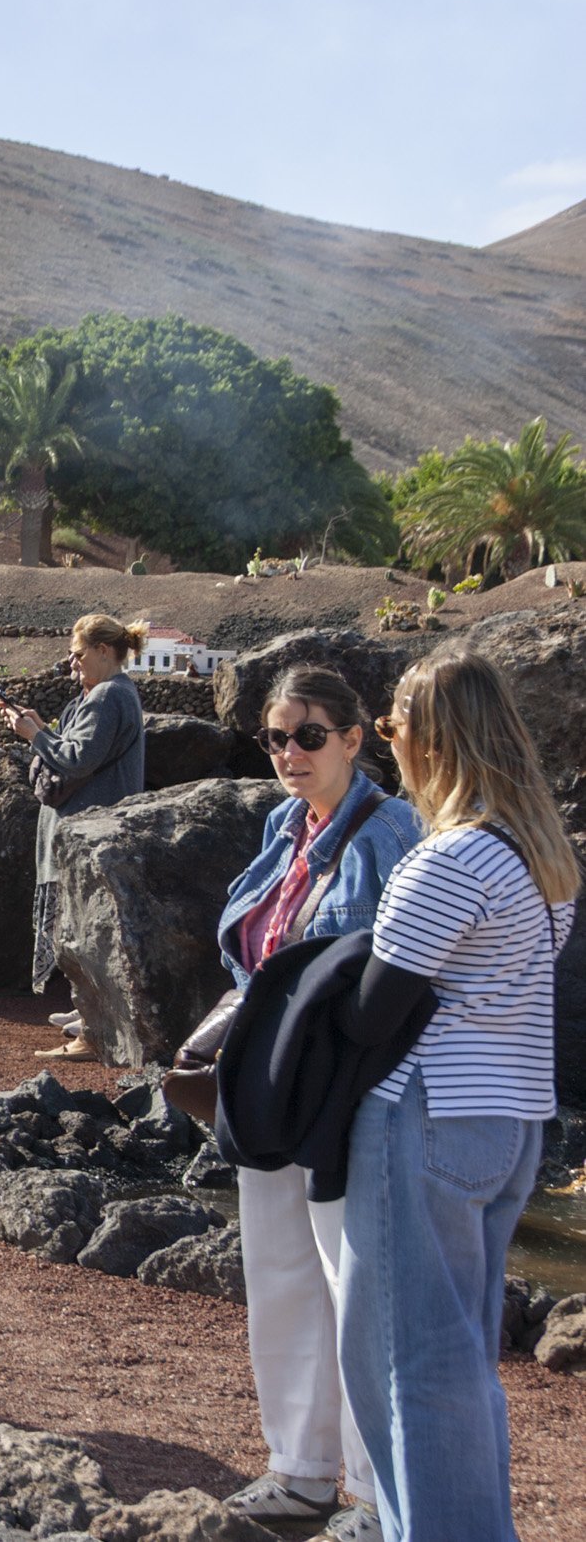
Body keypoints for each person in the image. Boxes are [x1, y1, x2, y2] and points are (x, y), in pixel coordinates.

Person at [343, 648, 576, 1541]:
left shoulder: (450, 859)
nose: (392, 748)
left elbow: (374, 1013)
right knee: (461, 1357)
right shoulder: (539, 855)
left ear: (429, 739)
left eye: (396, 730)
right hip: (512, 1120)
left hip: (427, 1115)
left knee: (407, 1362)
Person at [208, 668, 421, 1533]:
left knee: (353, 1285)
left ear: (353, 738)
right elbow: (256, 941)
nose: (289, 753)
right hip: (279, 1079)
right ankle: (301, 1470)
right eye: (275, 737)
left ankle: (374, 1494)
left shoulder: (391, 830)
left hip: (346, 1090)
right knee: (283, 1275)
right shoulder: (283, 823)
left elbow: (399, 979)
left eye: (308, 735)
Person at [7, 613, 148, 1057]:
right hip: (89, 830)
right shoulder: (112, 693)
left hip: (87, 832)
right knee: (80, 927)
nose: (72, 663)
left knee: (84, 930)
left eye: (79, 654)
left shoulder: (108, 697)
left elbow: (78, 757)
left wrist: (36, 735)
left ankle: (93, 1028)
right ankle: (88, 1011)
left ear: (104, 651)